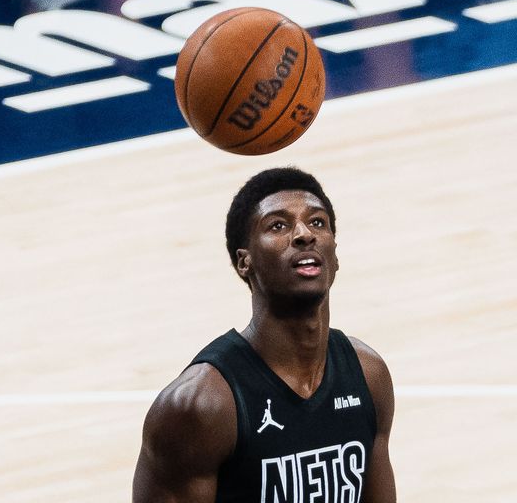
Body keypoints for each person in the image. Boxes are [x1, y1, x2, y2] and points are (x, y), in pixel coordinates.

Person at [132, 167, 396, 503]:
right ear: (245, 262)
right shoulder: (201, 405)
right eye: (278, 225)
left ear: (335, 254)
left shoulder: (368, 375)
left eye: (317, 222)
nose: (304, 235)